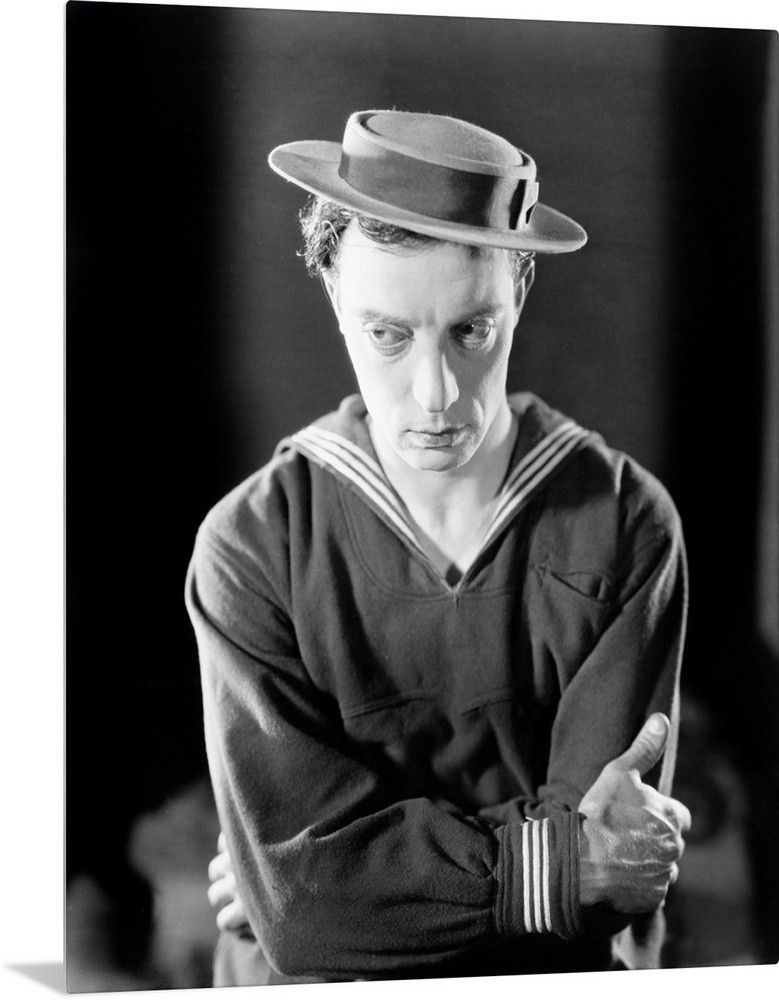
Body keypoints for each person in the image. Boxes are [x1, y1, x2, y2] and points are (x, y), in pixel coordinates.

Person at [185, 110, 691, 986]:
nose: (434, 393)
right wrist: (558, 867)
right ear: (334, 298)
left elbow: (606, 890)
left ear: (519, 291)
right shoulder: (251, 546)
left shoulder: (624, 522)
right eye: (387, 334)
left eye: (471, 331)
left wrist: (336, 880)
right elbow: (307, 919)